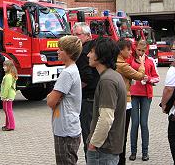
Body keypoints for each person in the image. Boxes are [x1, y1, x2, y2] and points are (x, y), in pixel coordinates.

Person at [87, 37, 126, 165]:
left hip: (103, 149)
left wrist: (94, 143)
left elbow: (106, 118)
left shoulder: (107, 81)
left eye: (91, 52)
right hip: (107, 147)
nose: (88, 55)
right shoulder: (113, 76)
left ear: (100, 56)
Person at [47, 35, 82, 165]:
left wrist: (51, 96)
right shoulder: (72, 70)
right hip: (68, 127)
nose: (57, 51)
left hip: (65, 130)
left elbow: (51, 101)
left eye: (60, 49)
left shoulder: (67, 73)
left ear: (69, 53)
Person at [115, 39, 146, 165]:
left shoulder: (116, 63)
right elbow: (140, 75)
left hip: (120, 100)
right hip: (125, 101)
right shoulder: (122, 65)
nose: (130, 51)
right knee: (122, 135)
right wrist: (142, 64)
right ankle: (121, 160)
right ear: (121, 50)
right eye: (128, 49)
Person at [129, 40, 159, 162]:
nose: (141, 53)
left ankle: (145, 152)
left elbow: (157, 78)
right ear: (135, 49)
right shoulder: (130, 60)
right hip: (133, 94)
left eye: (143, 50)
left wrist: (149, 79)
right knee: (135, 123)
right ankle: (133, 152)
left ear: (146, 50)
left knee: (144, 123)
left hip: (146, 94)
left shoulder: (150, 61)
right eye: (139, 50)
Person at [72, 22, 99, 159]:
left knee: (89, 136)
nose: (74, 37)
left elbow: (87, 77)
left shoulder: (83, 52)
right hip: (98, 97)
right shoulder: (95, 47)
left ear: (88, 35)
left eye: (77, 34)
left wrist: (75, 91)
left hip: (88, 99)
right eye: (73, 34)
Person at [0, 60, 18, 131]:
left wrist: (3, 96)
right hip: (8, 95)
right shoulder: (9, 75)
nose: (3, 67)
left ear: (9, 67)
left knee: (8, 110)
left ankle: (10, 126)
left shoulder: (8, 76)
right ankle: (8, 124)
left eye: (5, 66)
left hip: (7, 96)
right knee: (6, 110)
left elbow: (7, 87)